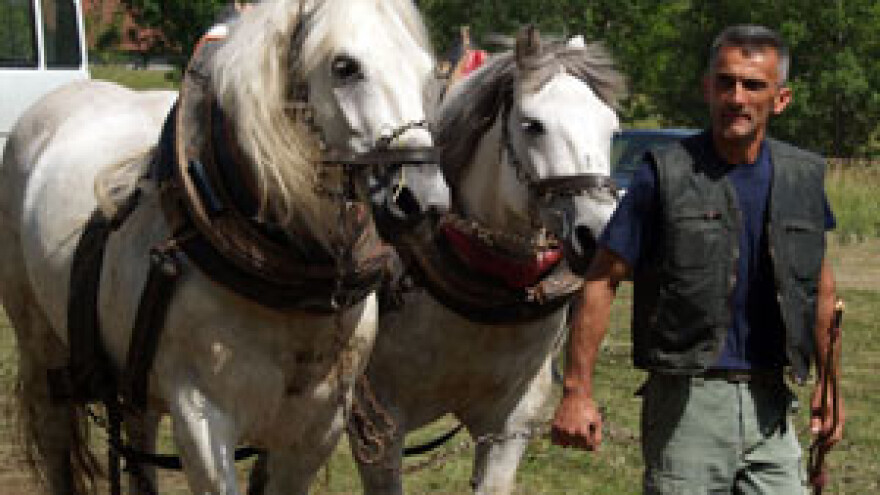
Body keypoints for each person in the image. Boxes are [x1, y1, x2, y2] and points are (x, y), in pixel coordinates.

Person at [551, 24, 845, 494]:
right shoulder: (663, 173)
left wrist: (830, 389)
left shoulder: (802, 177)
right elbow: (602, 279)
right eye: (725, 82)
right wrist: (576, 391)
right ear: (707, 88)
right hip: (687, 401)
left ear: (781, 98)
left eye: (754, 85)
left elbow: (821, 291)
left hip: (773, 402)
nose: (737, 97)